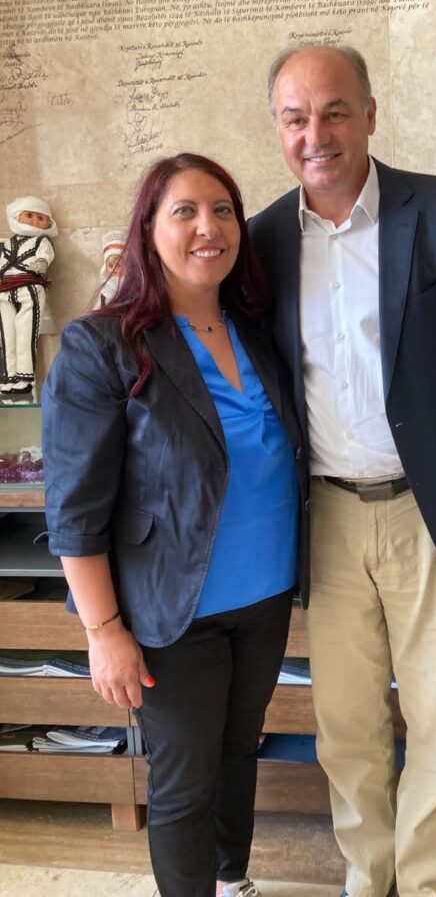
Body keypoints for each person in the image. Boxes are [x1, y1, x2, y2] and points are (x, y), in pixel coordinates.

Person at [250, 45, 436, 897]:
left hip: (434, 508)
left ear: (370, 114)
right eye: (296, 118)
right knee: (346, 724)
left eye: (335, 112)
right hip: (326, 518)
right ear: (277, 130)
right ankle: (367, 875)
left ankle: (428, 880)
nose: (316, 135)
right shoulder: (261, 240)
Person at [42, 153, 309, 897]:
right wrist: (104, 633)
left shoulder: (257, 329)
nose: (207, 227)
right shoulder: (103, 345)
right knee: (185, 778)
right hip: (170, 612)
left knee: (237, 751)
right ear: (148, 231)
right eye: (184, 211)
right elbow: (74, 512)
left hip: (264, 598)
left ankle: (232, 879)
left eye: (222, 210)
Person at [0, 195, 57, 394]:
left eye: (41, 218)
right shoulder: (8, 243)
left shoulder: (42, 241)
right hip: (4, 291)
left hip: (29, 287)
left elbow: (45, 256)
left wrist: (41, 263)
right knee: (6, 334)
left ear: (48, 223)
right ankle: (9, 376)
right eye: (30, 215)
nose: (35, 221)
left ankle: (25, 377)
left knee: (26, 331)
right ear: (17, 216)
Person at [98, 228, 126, 306]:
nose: (114, 269)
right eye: (110, 266)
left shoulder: (130, 284)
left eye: (118, 265)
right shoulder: (107, 286)